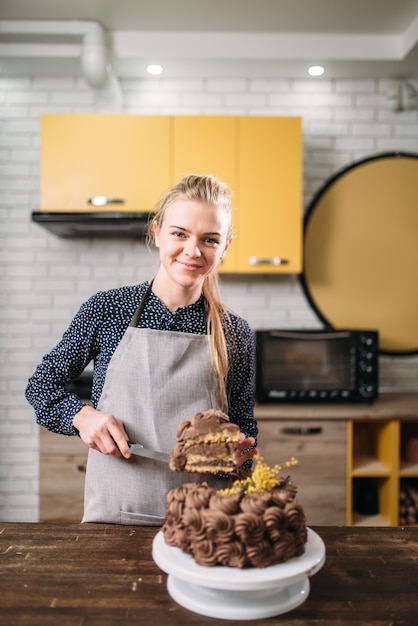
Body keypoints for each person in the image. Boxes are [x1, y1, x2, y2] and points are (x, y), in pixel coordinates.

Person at [26, 173, 258, 525]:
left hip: (203, 521)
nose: (192, 251)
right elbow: (42, 385)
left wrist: (240, 454)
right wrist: (81, 415)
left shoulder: (234, 332)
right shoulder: (106, 309)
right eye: (179, 233)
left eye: (209, 239)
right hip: (116, 514)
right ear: (157, 232)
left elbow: (244, 428)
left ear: (224, 247)